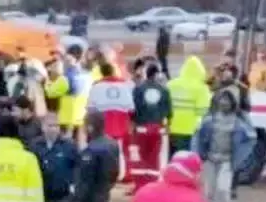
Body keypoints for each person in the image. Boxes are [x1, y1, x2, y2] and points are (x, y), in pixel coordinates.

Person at [192, 90, 255, 202]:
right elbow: (197, 137)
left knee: (223, 190)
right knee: (207, 193)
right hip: (210, 160)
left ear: (233, 103)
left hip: (227, 161)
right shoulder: (209, 120)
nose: (224, 103)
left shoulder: (238, 122)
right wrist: (198, 155)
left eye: (227, 100)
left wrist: (239, 156)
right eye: (221, 99)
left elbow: (251, 137)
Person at [86, 61, 135, 183]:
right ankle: (121, 174)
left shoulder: (96, 86)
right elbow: (131, 108)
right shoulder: (125, 85)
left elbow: (90, 107)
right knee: (120, 149)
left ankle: (104, 174)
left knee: (103, 149)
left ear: (101, 73)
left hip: (102, 122)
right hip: (120, 122)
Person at [131, 62, 173, 192]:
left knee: (140, 157)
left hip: (141, 128)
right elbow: (169, 112)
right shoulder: (164, 90)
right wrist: (168, 126)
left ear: (146, 74)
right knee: (154, 158)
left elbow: (133, 109)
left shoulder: (138, 89)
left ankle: (139, 186)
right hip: (157, 129)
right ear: (156, 75)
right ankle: (152, 184)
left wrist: (133, 124)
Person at [166, 56, 211, 156]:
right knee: (186, 157)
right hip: (191, 130)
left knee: (173, 156)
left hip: (172, 129)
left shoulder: (170, 85)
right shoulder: (202, 88)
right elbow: (203, 112)